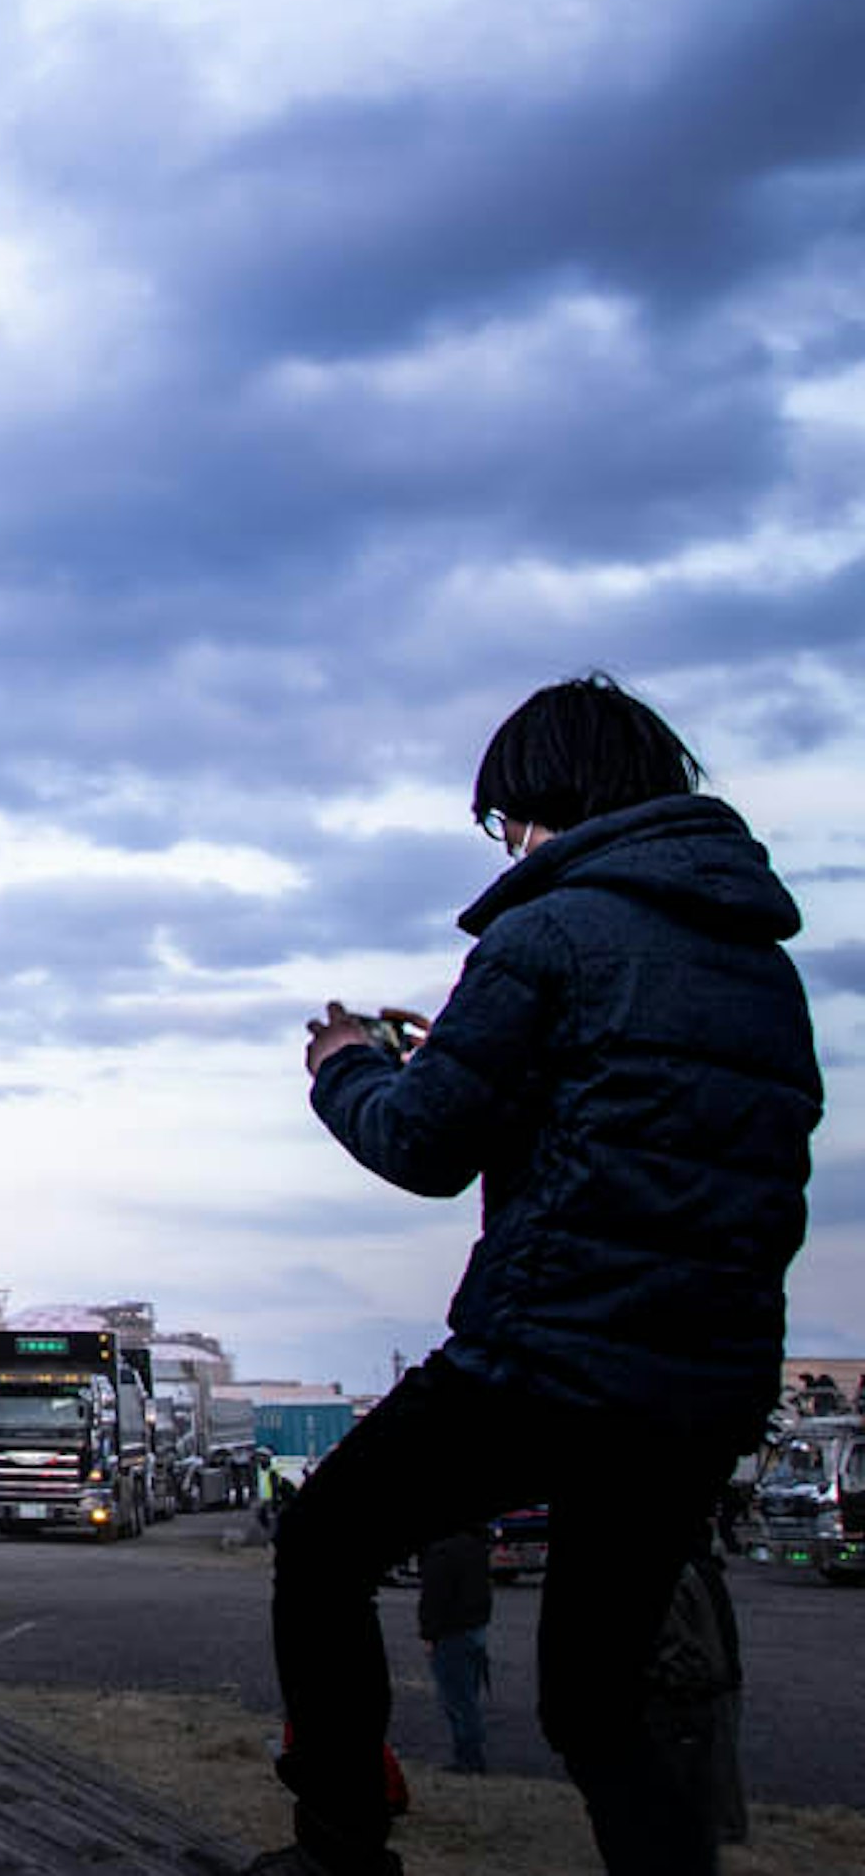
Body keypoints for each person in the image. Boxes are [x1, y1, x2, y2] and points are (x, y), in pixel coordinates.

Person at [260, 676, 820, 1876]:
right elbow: (650, 1131)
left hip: (552, 1348)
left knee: (322, 1545)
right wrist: (467, 1046)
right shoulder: (759, 962)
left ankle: (340, 1843)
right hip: (701, 1384)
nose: (506, 841)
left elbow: (421, 1142)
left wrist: (345, 1063)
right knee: (594, 1695)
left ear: (544, 803)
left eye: (503, 818)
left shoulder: (548, 930)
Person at [417, 1526, 494, 1776]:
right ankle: (471, 1757)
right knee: (467, 1698)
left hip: (451, 1633)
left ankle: (470, 1760)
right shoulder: (475, 1545)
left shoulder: (442, 1550)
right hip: (474, 1629)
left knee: (458, 1702)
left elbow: (434, 1598)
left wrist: (429, 1633)